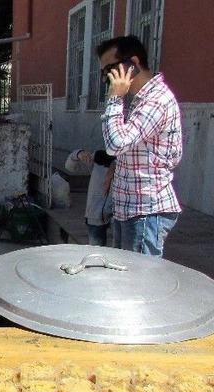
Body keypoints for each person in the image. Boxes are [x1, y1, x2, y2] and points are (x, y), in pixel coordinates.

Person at [98, 35, 183, 257]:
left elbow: (116, 143)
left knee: (138, 287)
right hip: (129, 209)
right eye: (104, 73)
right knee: (122, 281)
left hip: (145, 212)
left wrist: (114, 99)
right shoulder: (138, 101)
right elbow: (135, 150)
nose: (107, 79)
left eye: (110, 70)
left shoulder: (157, 100)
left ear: (132, 64)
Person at [64, 149, 115, 246]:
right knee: (96, 254)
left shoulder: (129, 161)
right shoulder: (100, 157)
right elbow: (69, 167)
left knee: (120, 254)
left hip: (118, 216)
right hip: (95, 215)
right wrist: (78, 154)